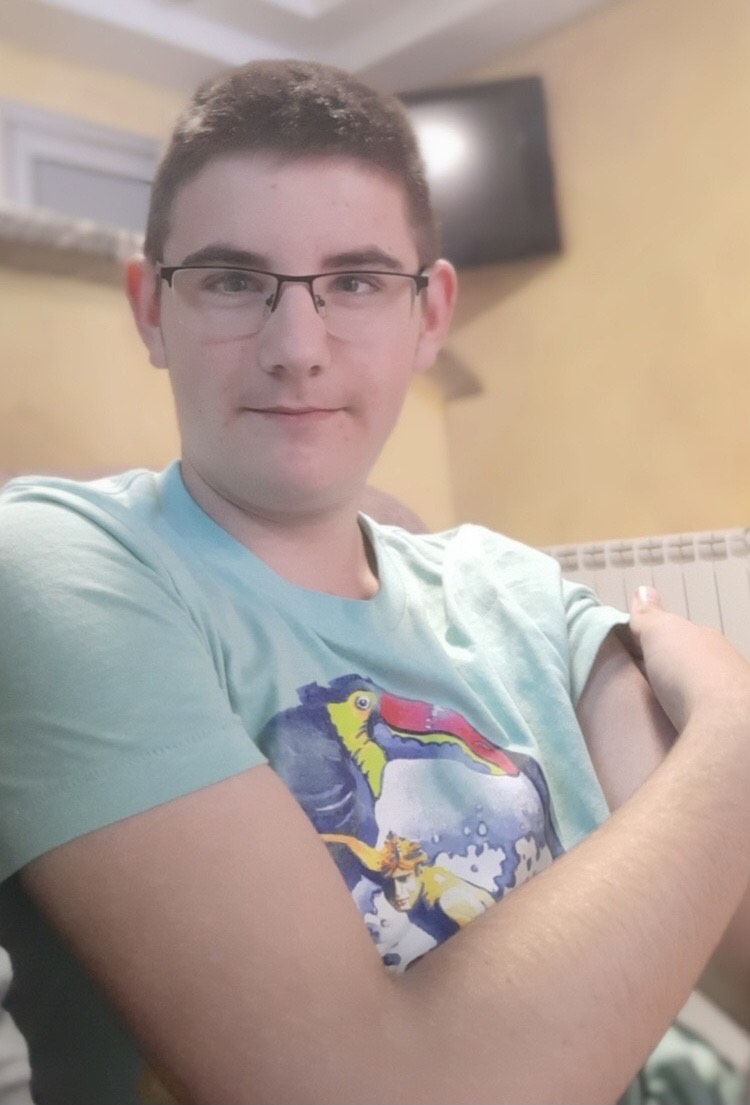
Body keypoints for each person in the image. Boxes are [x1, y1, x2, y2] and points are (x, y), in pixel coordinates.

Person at [0, 58, 749, 1105]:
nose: (296, 347)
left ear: (429, 314)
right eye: (232, 279)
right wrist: (730, 726)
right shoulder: (61, 567)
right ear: (151, 308)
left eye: (354, 281)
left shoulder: (511, 588)